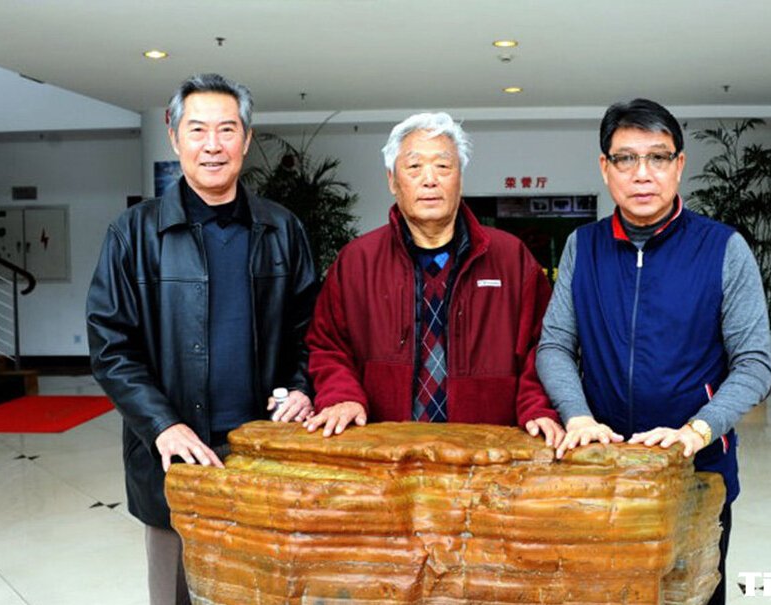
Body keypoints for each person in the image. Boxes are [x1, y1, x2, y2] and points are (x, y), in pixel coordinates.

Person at [86, 73, 318, 605]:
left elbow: (313, 331)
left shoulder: (282, 229)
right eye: (198, 130)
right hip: (174, 454)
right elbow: (111, 347)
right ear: (174, 137)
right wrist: (162, 425)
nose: (213, 145)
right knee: (176, 593)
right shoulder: (133, 234)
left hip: (263, 450)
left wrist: (302, 386)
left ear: (246, 139)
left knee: (267, 589)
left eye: (227, 129)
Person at [536, 98, 771, 605]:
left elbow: (754, 364)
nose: (642, 174)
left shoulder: (722, 248)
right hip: (602, 464)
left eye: (658, 157)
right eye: (626, 158)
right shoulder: (583, 246)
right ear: (605, 168)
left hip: (696, 468)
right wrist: (577, 416)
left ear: (679, 165)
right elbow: (554, 343)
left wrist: (697, 430)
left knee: (691, 592)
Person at [303, 112, 563, 446]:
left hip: (486, 451)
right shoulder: (357, 260)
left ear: (460, 179)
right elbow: (328, 345)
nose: (430, 179)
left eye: (443, 166)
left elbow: (542, 346)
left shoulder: (511, 258)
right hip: (385, 451)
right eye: (414, 167)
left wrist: (536, 407)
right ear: (392, 180)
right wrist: (342, 396)